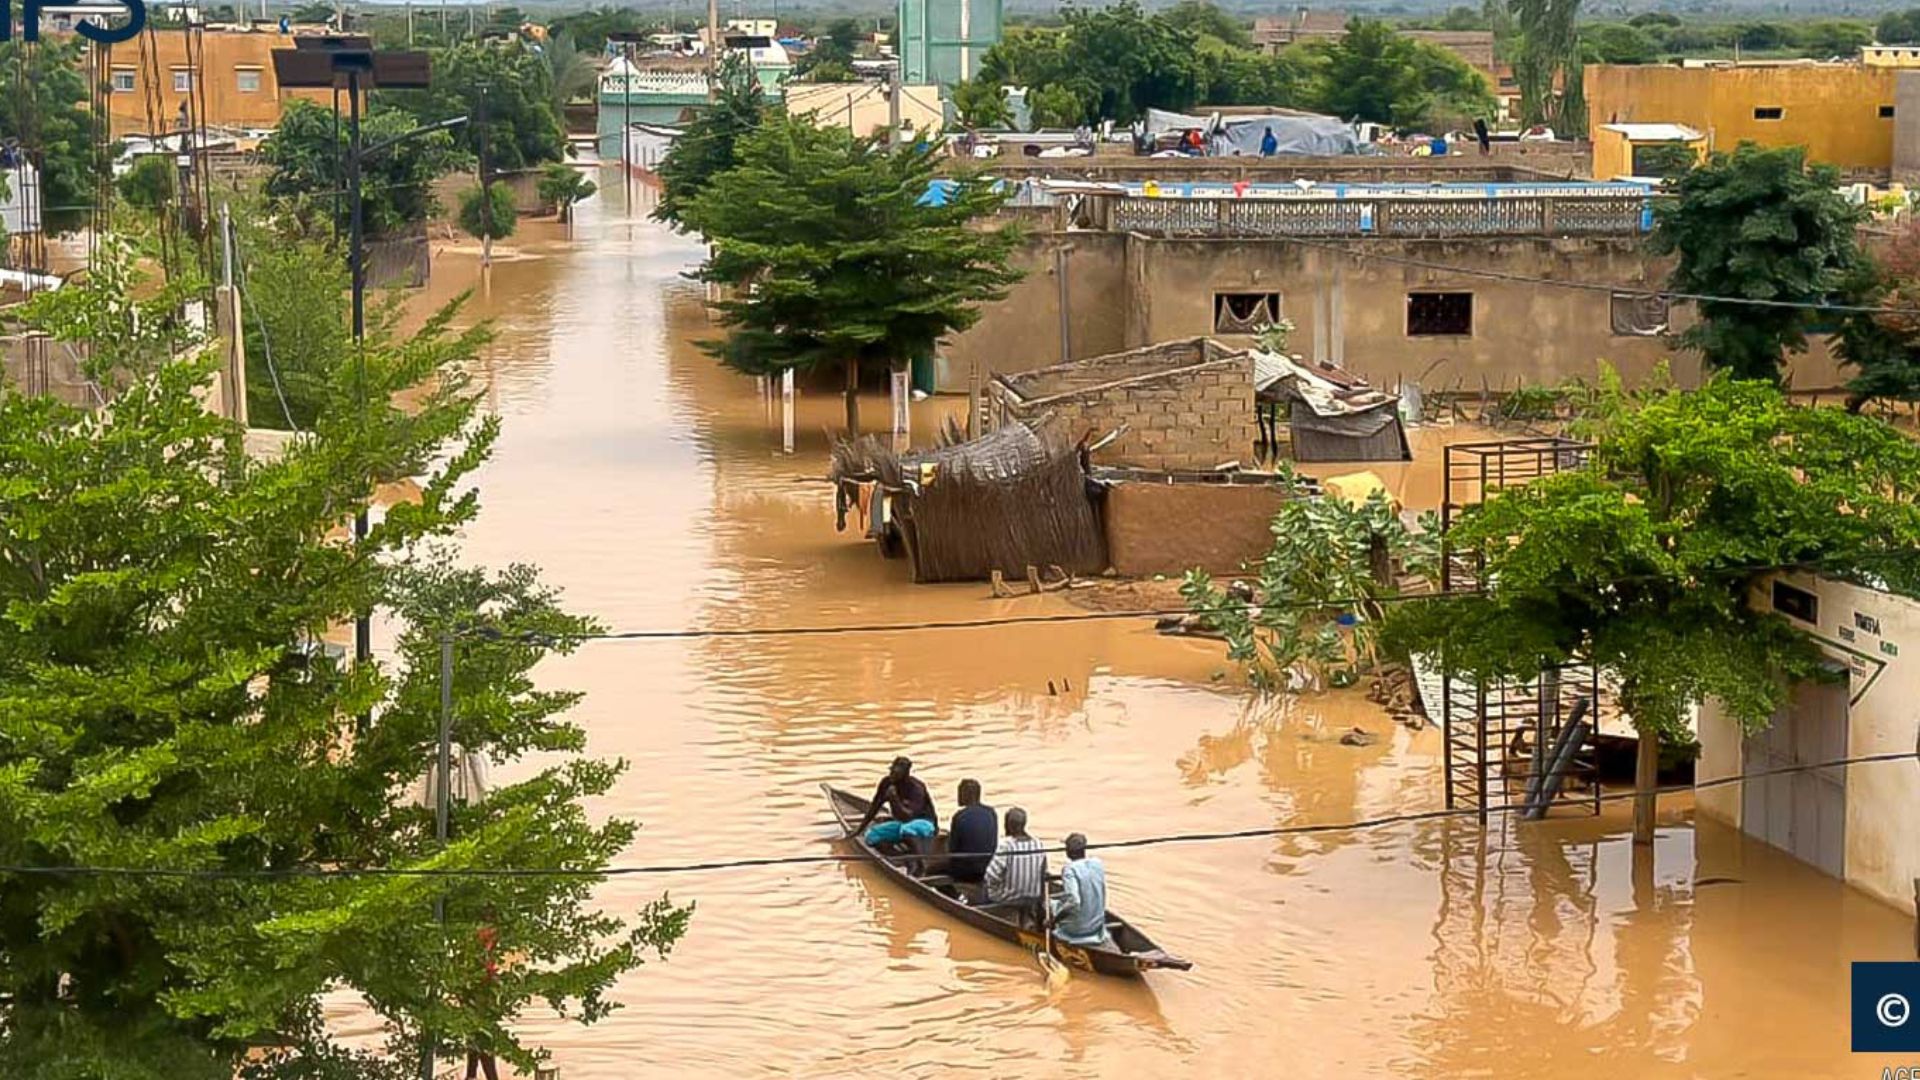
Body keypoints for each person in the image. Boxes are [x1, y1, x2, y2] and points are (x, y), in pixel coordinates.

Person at [850, 756, 937, 846]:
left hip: (924, 823)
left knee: (907, 829)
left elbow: (908, 817)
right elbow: (874, 807)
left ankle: (920, 859)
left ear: (905, 774)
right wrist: (859, 829)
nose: (892, 775)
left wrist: (894, 798)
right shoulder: (886, 783)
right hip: (901, 823)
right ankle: (892, 856)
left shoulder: (916, 788)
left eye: (896, 773)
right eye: (891, 771)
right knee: (871, 836)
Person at [1050, 832, 1110, 946]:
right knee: (1061, 901)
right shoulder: (1097, 863)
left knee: (1049, 904)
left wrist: (1053, 921)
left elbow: (1074, 902)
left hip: (1076, 929)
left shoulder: (1069, 870)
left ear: (1067, 851)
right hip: (1097, 926)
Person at [982, 807, 1047, 911]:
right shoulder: (1038, 844)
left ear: (1009, 825)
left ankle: (986, 912)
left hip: (1009, 899)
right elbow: (1043, 874)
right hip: (1033, 897)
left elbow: (991, 876)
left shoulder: (1006, 845)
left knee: (986, 884)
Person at [948, 779, 997, 885]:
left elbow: (953, 850)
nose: (958, 797)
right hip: (988, 866)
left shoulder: (959, 816)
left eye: (960, 793)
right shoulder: (991, 813)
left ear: (968, 795)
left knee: (934, 869)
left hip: (966, 872)